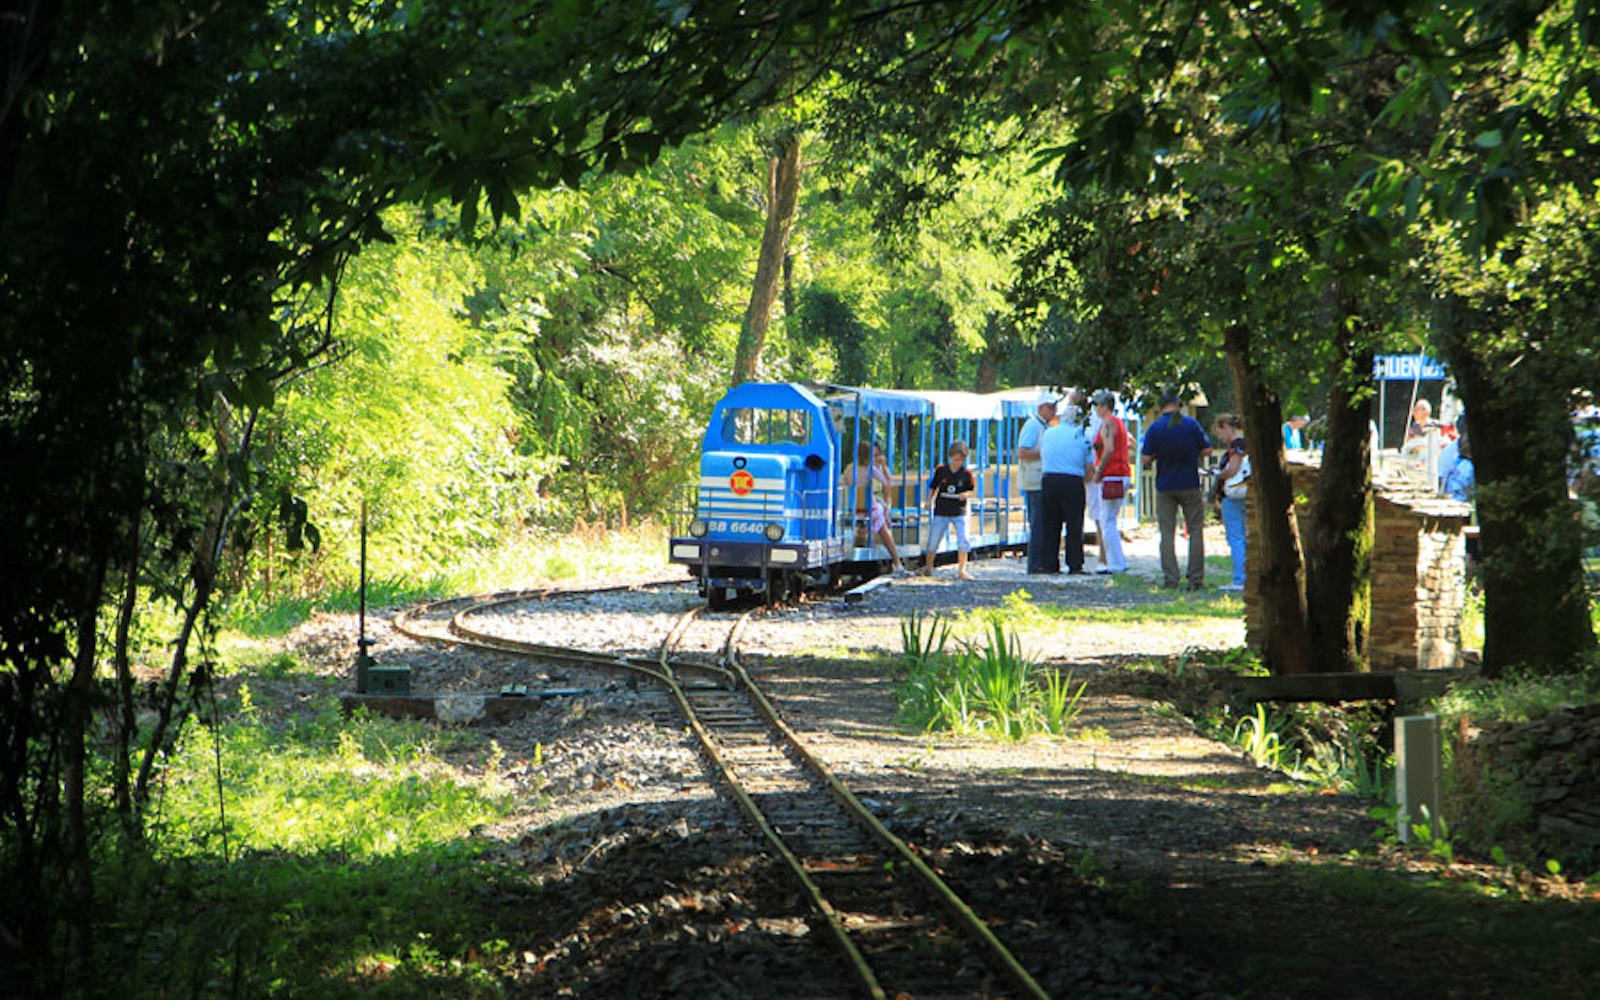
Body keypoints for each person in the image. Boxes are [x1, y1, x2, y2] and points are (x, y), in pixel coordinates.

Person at [1141, 394, 1213, 590]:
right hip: (1190, 483)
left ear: (1162, 406)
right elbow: (1207, 450)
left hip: (1165, 485)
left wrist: (1159, 454)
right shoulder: (1191, 425)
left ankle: (1171, 578)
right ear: (1177, 405)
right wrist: (1192, 453)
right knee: (1196, 530)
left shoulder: (1155, 427)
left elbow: (1146, 458)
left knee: (1166, 532)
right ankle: (1195, 579)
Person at [1037, 402, 1095, 575]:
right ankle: (1074, 564)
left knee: (1050, 524)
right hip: (1072, 481)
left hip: (1049, 480)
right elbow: (1089, 466)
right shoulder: (1082, 436)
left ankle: (1049, 563)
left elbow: (1043, 454)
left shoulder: (1049, 433)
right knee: (1074, 525)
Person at [840, 441, 905, 573]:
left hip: (853, 507)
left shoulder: (849, 468)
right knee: (882, 513)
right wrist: (884, 465)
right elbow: (888, 482)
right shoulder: (871, 469)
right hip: (869, 507)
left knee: (881, 512)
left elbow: (843, 482)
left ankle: (868, 530)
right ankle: (896, 561)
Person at [1088, 391, 1131, 574]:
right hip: (1122, 473)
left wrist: (1099, 470)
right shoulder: (1120, 422)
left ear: (1104, 406)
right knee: (1111, 519)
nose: (1096, 409)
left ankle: (1115, 564)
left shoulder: (1107, 422)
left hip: (1112, 475)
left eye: (1097, 405)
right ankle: (1119, 561)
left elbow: (1109, 449)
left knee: (1107, 522)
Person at [924, 440, 977, 579]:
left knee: (963, 539)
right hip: (942, 509)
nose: (957, 462)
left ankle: (962, 569)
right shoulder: (941, 470)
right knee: (934, 539)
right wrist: (929, 501)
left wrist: (965, 495)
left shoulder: (966, 474)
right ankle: (928, 567)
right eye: (955, 459)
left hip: (959, 511)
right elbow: (933, 486)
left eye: (960, 460)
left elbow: (971, 490)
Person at [1017, 392, 1057, 574]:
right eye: (1050, 407)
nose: (1053, 410)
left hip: (1042, 480)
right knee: (1038, 523)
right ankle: (1034, 564)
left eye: (1054, 407)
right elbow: (1023, 452)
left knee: (1044, 523)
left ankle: (1042, 561)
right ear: (1040, 408)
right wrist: (1046, 454)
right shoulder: (1033, 426)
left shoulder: (1045, 426)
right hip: (1034, 480)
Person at [1211, 414, 1249, 592]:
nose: (1221, 438)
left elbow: (1232, 470)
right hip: (1245, 493)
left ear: (1226, 426)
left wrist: (1218, 473)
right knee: (1245, 536)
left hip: (1234, 495)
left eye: (1221, 433)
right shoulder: (1248, 443)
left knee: (1236, 538)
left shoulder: (1237, 445)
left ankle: (1240, 578)